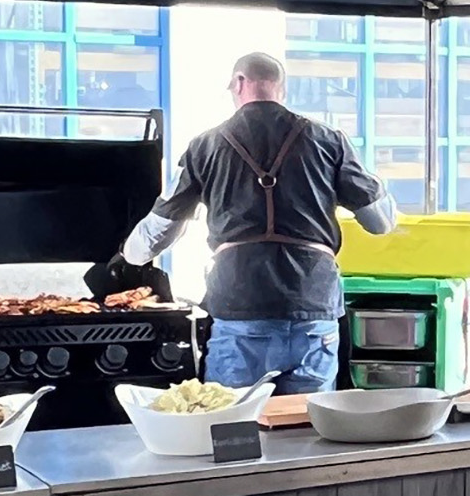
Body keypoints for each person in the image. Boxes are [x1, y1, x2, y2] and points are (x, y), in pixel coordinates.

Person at [122, 52, 396, 394]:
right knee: (306, 429)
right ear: (281, 87)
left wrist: (126, 256)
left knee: (235, 429)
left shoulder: (204, 146)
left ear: (239, 82)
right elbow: (380, 222)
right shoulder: (330, 140)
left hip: (241, 307)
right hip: (314, 307)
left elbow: (158, 231)